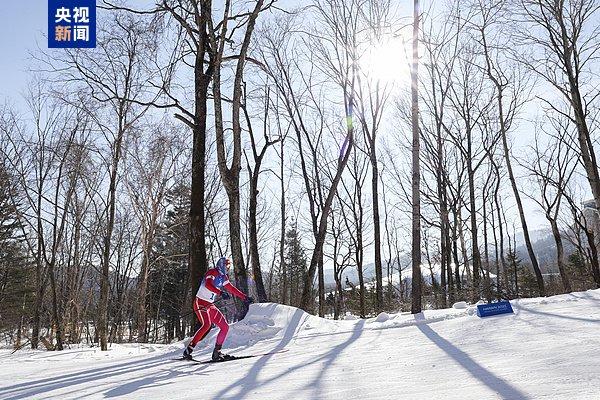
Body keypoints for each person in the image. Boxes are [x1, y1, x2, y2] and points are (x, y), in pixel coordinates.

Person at [183, 257, 254, 361]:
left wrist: (244, 297)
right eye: (227, 265)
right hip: (200, 302)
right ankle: (189, 349)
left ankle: (217, 352)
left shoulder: (223, 277)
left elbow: (231, 288)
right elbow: (208, 285)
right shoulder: (212, 272)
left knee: (225, 326)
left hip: (210, 304)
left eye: (229, 266)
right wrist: (220, 292)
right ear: (221, 264)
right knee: (207, 325)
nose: (228, 268)